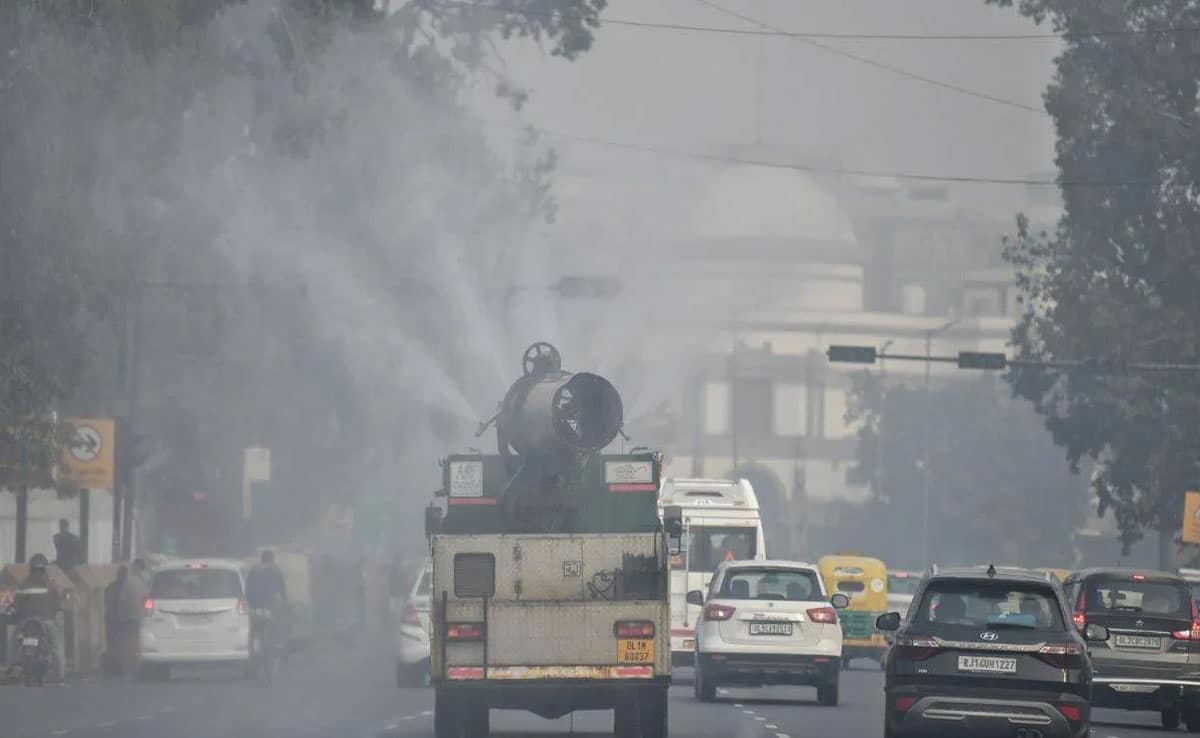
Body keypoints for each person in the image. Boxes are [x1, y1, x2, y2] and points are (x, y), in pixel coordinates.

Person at [13, 554, 66, 683]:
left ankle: (11, 667)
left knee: (14, 641)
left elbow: (17, 603)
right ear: (44, 568)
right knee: (57, 646)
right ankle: (61, 678)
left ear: (31, 568)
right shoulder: (50, 584)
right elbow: (57, 603)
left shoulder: (24, 583)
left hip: (26, 621)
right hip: (46, 620)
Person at [245, 550, 289, 655]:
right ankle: (277, 641)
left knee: (254, 623)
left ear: (262, 558)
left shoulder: (254, 569)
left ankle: (255, 641)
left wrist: (249, 600)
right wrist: (284, 601)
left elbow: (247, 587)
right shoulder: (275, 569)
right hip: (269, 601)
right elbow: (281, 588)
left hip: (254, 602)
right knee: (277, 619)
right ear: (272, 559)